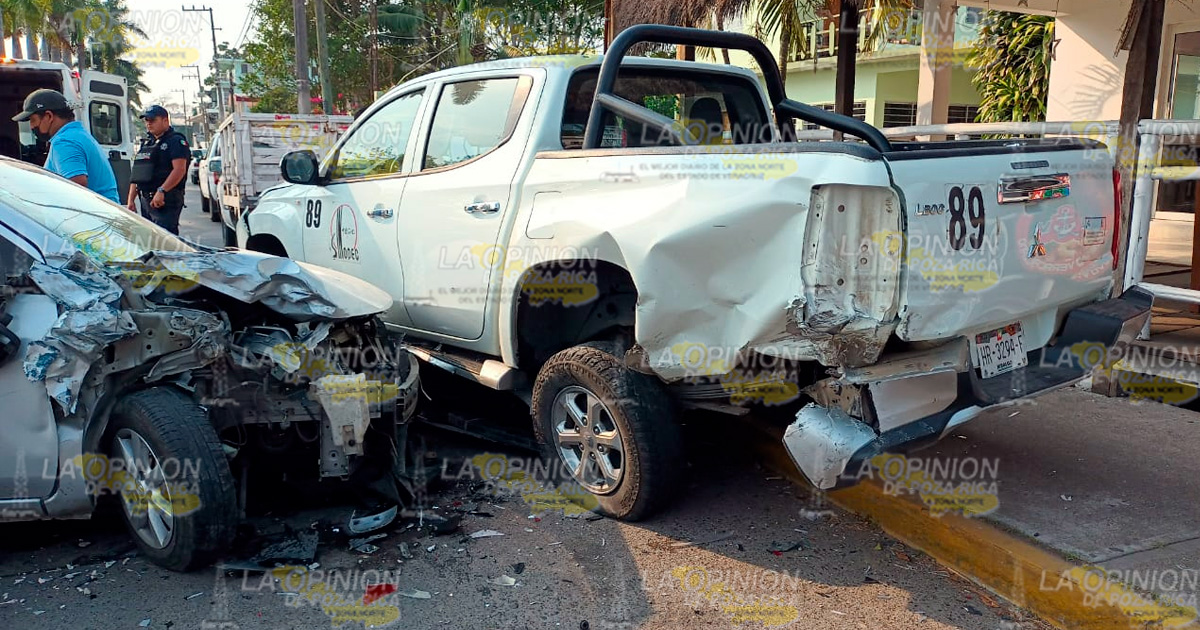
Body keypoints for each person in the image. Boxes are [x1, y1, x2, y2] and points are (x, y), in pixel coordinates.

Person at [11, 89, 120, 203]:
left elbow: (76, 186)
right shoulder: (78, 135)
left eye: (33, 120)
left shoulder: (64, 142)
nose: (31, 126)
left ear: (49, 116)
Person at [128, 105, 190, 234]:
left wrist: (162, 190)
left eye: (152, 120)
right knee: (152, 238)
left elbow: (179, 170)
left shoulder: (175, 141)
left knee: (166, 238)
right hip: (145, 199)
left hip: (165, 200)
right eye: (146, 120)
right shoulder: (147, 143)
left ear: (165, 121)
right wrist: (131, 199)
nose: (149, 123)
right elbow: (138, 173)